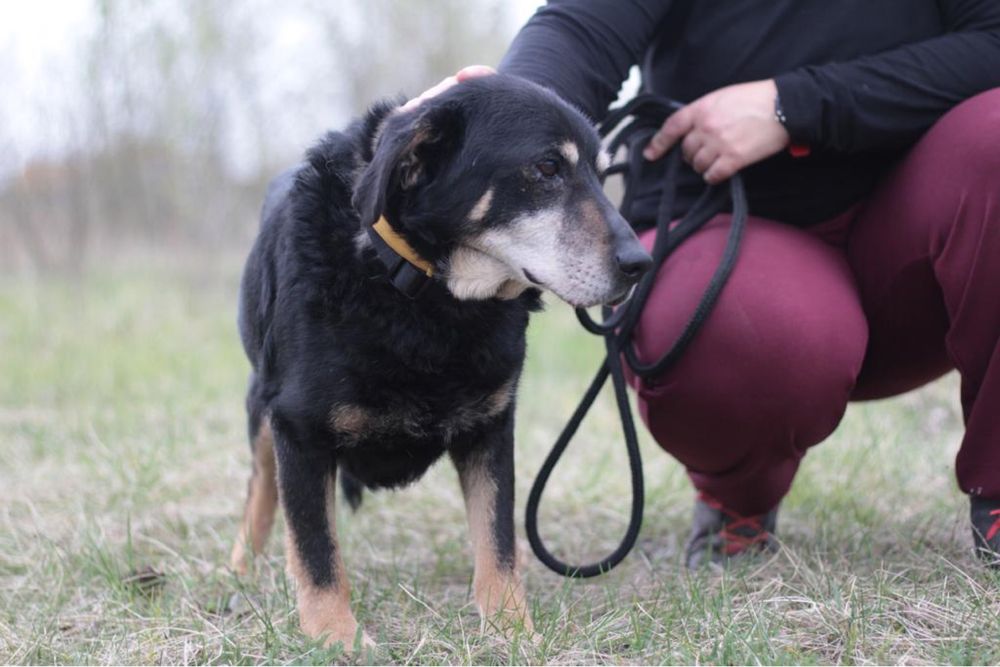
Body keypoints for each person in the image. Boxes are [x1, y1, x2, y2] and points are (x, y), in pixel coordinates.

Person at [479, 0, 1000, 568]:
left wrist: (791, 104)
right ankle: (740, 500)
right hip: (724, 222)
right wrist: (500, 111)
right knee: (733, 328)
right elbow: (584, 29)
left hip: (932, 241)